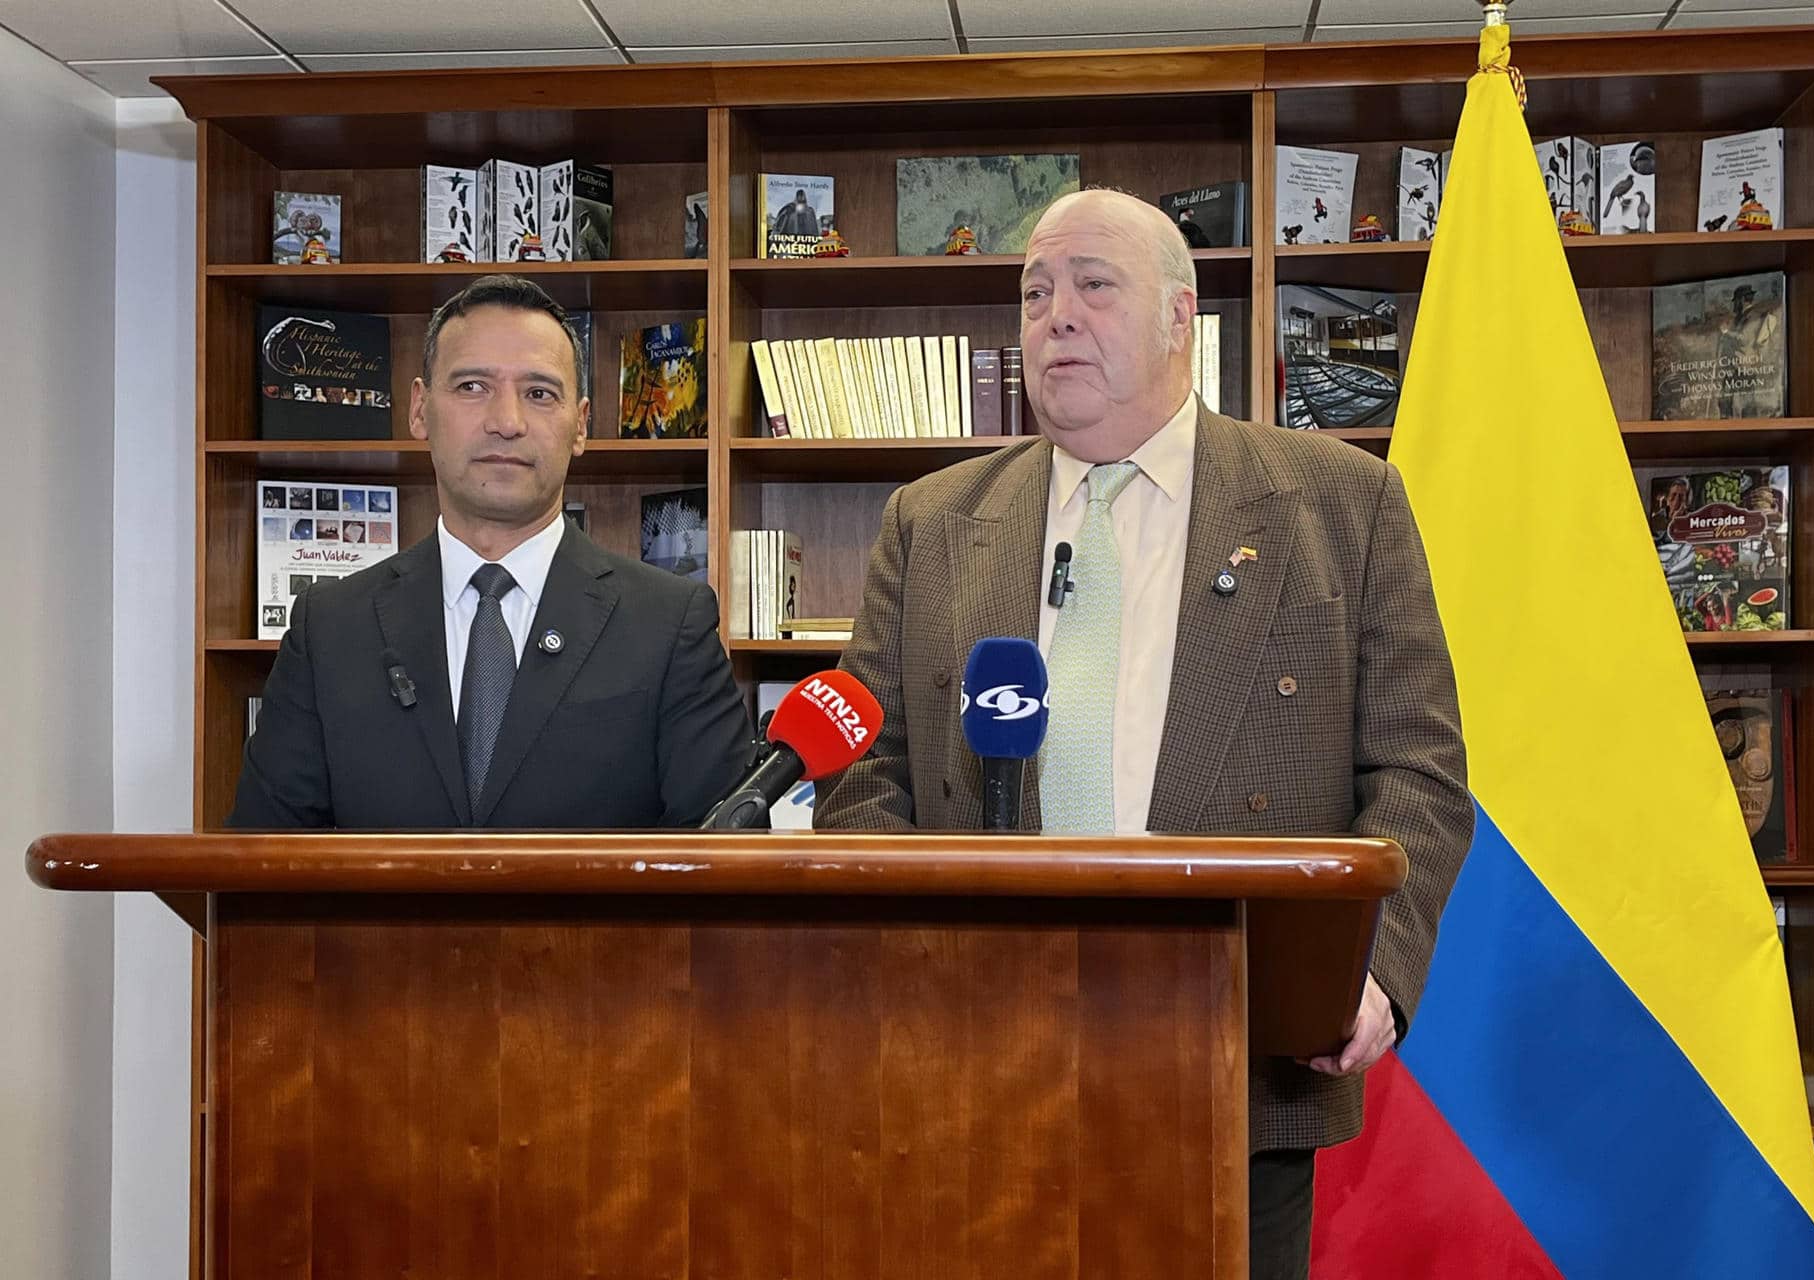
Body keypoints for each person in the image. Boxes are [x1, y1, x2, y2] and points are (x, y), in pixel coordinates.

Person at [813, 190, 1473, 1279]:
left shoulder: (1341, 506)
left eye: (1092, 285)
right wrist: (913, 969)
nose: (1054, 315)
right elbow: (865, 767)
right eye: (1033, 293)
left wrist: (1373, 969)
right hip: (978, 1062)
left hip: (1239, 1065)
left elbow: (1419, 770)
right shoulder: (930, 522)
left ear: (1181, 317)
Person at [229, 275, 754, 829]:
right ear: (418, 410)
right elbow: (260, 872)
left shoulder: (670, 625)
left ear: (579, 426)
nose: (507, 422)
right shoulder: (329, 629)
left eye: (539, 393)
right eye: (472, 386)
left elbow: (727, 875)